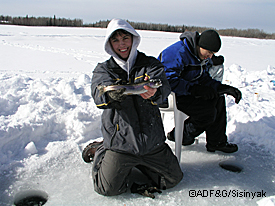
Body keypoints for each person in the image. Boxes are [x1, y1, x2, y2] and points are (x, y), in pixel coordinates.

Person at [82, 18, 183, 198]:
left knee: (173, 179)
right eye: (116, 40)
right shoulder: (104, 70)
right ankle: (101, 149)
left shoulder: (150, 64)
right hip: (121, 143)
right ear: (109, 44)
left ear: (133, 39)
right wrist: (110, 96)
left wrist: (154, 93)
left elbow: (163, 87)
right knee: (107, 189)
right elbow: (99, 95)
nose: (122, 44)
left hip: (152, 141)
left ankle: (140, 163)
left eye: (125, 38)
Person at [158, 30, 242, 153]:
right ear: (200, 46)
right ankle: (180, 134)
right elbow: (166, 80)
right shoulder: (177, 53)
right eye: (209, 52)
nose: (210, 56)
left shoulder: (199, 55)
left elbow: (203, 77)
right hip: (168, 95)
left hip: (185, 92)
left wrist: (220, 88)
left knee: (217, 98)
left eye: (213, 53)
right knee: (207, 112)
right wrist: (193, 89)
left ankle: (217, 142)